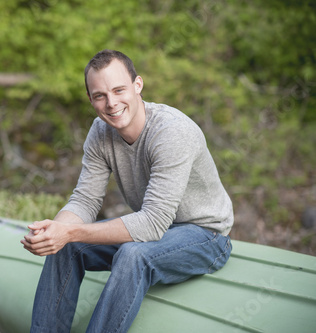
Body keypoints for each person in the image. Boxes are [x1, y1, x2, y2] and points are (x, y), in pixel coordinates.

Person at [21, 49, 234, 333]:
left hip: (205, 235)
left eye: (119, 90)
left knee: (132, 254)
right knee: (66, 245)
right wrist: (55, 232)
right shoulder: (100, 132)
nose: (111, 103)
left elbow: (153, 223)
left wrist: (71, 232)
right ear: (91, 99)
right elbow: (85, 200)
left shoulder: (172, 132)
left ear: (138, 85)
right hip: (157, 229)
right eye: (100, 96)